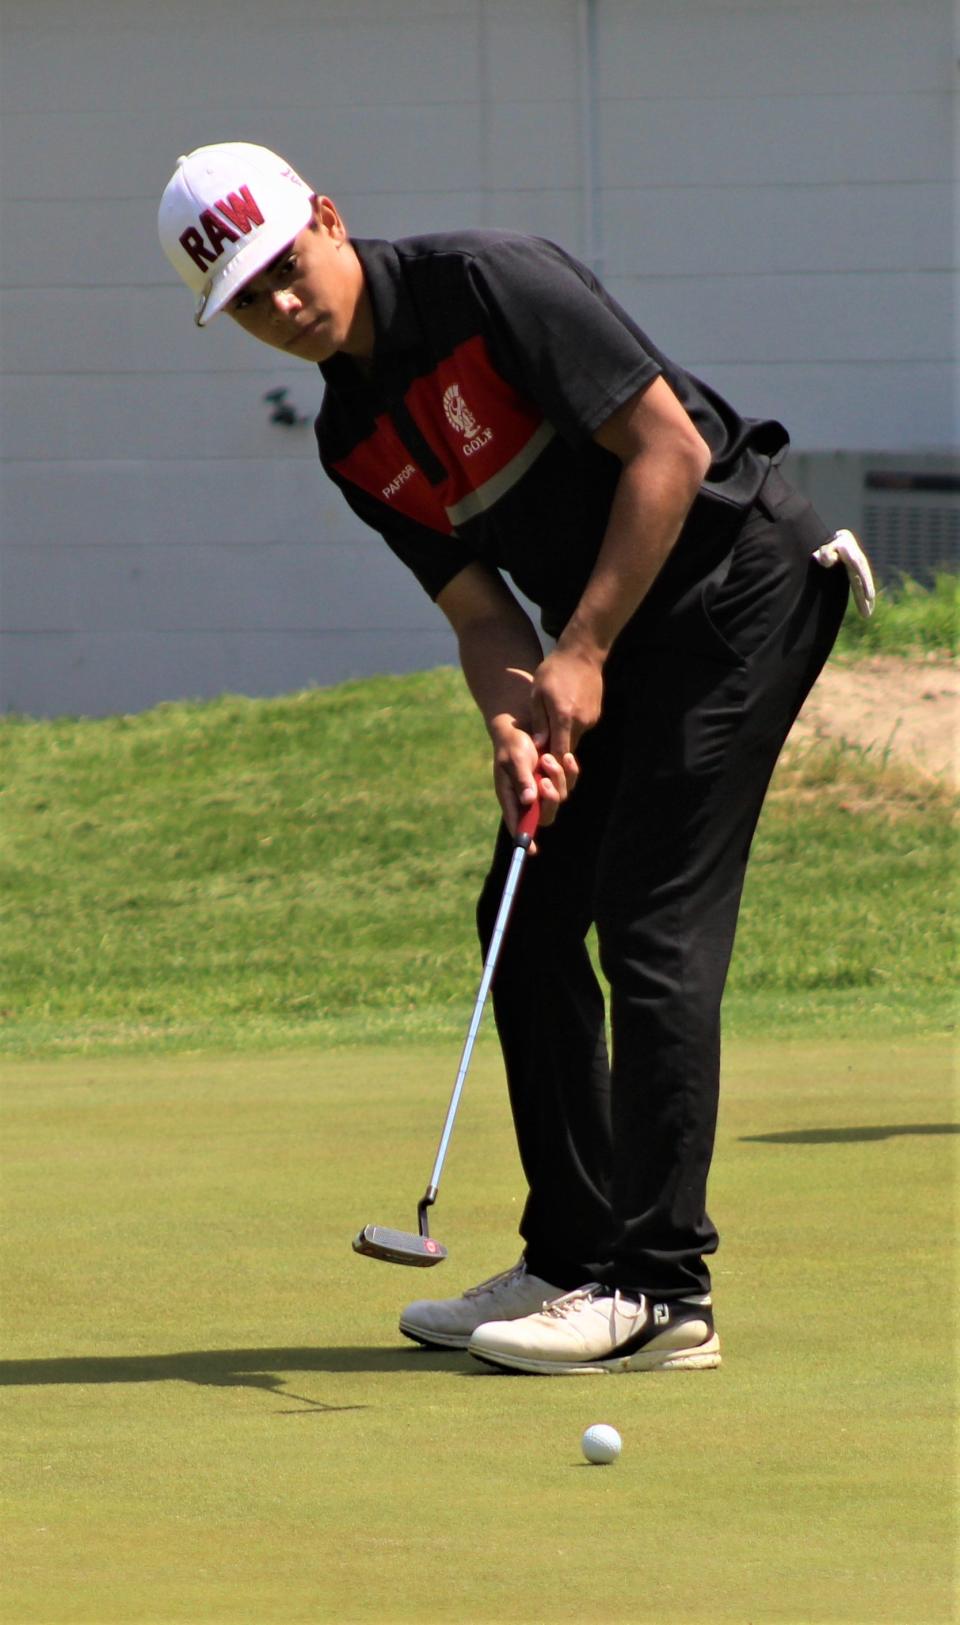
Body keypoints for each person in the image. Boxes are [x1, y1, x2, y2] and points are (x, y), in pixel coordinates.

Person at [159, 142, 873, 1376]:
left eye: (285, 266)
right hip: (617, 641)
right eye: (246, 302)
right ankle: (571, 1255)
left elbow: (669, 452)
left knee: (651, 921)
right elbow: (486, 616)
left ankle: (660, 1292)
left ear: (326, 217)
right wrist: (514, 719)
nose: (281, 307)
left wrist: (584, 649)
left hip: (736, 591)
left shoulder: (488, 283)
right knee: (526, 914)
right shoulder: (349, 436)